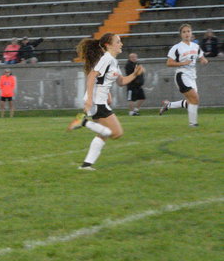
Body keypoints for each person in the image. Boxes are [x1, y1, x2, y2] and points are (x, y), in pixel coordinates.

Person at [66, 33, 144, 170]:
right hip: (97, 101)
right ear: (108, 45)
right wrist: (90, 99)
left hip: (100, 100)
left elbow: (121, 81)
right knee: (116, 133)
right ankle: (83, 121)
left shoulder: (113, 61)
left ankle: (86, 165)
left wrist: (135, 74)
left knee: (104, 133)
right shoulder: (106, 59)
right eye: (118, 42)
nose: (121, 44)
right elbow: (92, 76)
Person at [159, 23, 208, 127]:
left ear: (191, 33)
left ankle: (168, 105)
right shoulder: (177, 47)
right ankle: (193, 124)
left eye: (188, 31)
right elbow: (169, 63)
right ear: (181, 34)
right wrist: (183, 63)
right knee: (195, 98)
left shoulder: (196, 46)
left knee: (191, 101)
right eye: (184, 32)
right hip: (182, 75)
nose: (186, 34)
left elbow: (202, 57)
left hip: (192, 77)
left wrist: (204, 60)